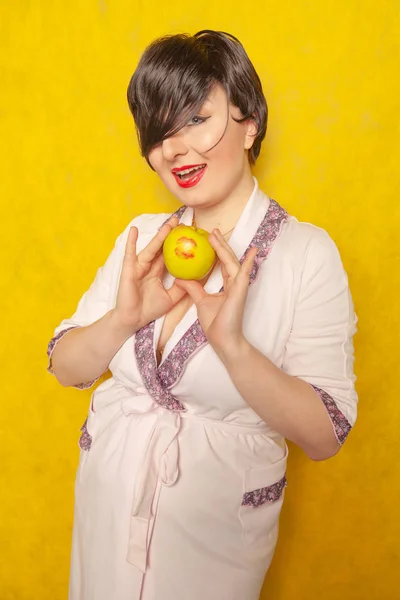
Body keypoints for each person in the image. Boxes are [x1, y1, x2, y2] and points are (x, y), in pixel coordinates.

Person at [47, 30, 358, 600]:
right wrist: (121, 319)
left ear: (249, 122)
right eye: (159, 131)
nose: (175, 148)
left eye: (195, 118)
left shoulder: (305, 253)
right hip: (105, 521)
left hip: (210, 549)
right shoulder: (141, 239)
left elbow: (325, 434)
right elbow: (65, 367)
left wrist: (233, 348)